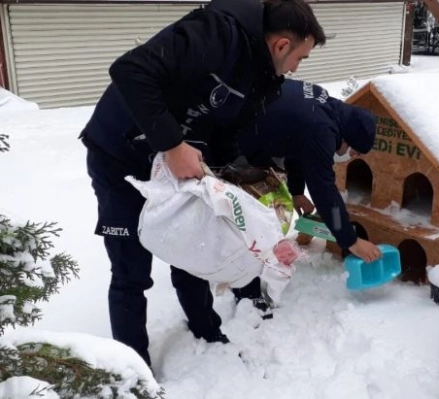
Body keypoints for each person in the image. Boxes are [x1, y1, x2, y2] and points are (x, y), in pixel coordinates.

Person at [79, 0, 326, 368]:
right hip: (122, 155)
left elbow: (227, 132)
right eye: (300, 58)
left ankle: (206, 329)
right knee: (131, 270)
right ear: (280, 45)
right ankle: (133, 373)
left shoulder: (263, 79)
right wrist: (173, 144)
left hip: (179, 163)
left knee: (194, 247)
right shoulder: (217, 33)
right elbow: (130, 70)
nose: (295, 69)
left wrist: (237, 186)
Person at [235, 79, 383, 266]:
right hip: (233, 136)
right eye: (354, 152)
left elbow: (295, 144)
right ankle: (245, 285)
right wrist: (350, 240)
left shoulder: (324, 107)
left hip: (246, 116)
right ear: (347, 139)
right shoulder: (322, 131)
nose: (351, 157)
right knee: (249, 217)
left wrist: (297, 192)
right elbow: (324, 190)